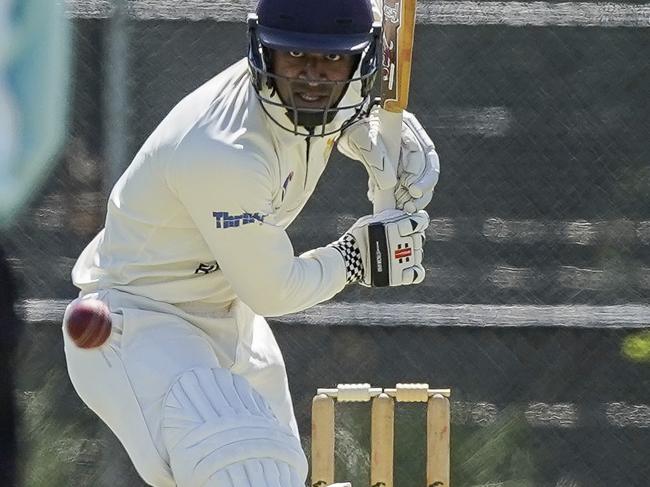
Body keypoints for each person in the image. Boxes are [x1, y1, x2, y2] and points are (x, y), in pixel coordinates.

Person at [63, 0, 439, 485]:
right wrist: (356, 258)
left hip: (231, 316)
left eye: (332, 60)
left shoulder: (320, 98)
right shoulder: (223, 149)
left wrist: (365, 130)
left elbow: (323, 116)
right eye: (296, 58)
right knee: (246, 466)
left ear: (359, 62)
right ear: (263, 52)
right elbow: (274, 291)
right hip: (140, 323)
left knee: (277, 473)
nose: (313, 78)